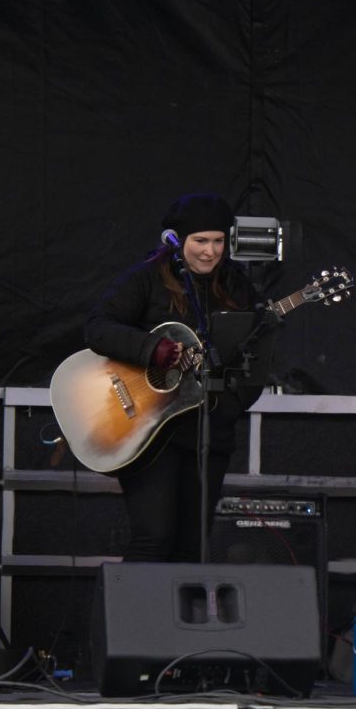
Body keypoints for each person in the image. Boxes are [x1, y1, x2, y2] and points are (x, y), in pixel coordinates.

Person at [84, 193, 264, 562]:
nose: (210, 252)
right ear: (176, 240)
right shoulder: (145, 280)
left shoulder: (237, 286)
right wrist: (152, 349)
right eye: (200, 241)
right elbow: (97, 328)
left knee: (193, 543)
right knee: (155, 536)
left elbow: (255, 360)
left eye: (218, 241)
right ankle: (137, 620)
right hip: (149, 430)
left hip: (209, 431)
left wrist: (233, 403)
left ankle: (183, 620)